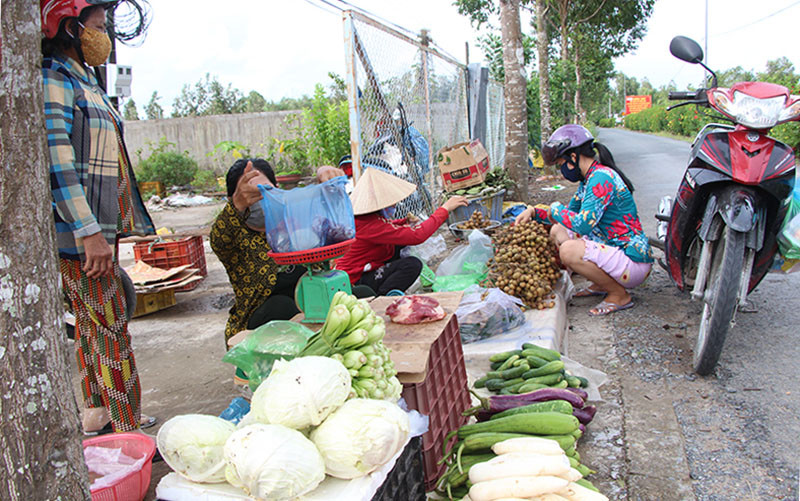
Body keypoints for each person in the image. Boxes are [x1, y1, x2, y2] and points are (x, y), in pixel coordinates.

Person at [41, 0, 157, 434]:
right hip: (81, 235)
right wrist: (87, 232)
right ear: (71, 29)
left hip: (100, 229)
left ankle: (97, 411)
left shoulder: (84, 78)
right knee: (111, 329)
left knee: (93, 326)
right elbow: (59, 163)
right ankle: (129, 429)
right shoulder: (53, 77)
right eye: (98, 25)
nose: (103, 35)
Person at [210, 159, 368, 366]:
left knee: (362, 294)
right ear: (233, 199)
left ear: (276, 192)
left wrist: (324, 177)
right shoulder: (234, 236)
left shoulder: (295, 223)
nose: (258, 199)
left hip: (310, 307)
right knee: (281, 306)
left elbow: (326, 216)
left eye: (264, 191)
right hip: (262, 320)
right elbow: (218, 239)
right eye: (250, 195)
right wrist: (238, 206)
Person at [515, 124, 653, 316]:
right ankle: (601, 283)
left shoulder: (601, 179)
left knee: (568, 251)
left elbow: (582, 223)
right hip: (613, 251)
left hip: (631, 261)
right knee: (557, 231)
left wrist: (555, 208)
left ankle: (619, 294)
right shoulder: (588, 180)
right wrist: (533, 212)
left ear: (573, 157)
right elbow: (567, 215)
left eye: (562, 163)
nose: (562, 169)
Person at [336, 167, 469, 295]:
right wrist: (445, 209)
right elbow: (417, 236)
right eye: (391, 203)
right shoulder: (368, 224)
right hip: (356, 280)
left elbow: (384, 228)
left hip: (365, 267)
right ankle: (382, 297)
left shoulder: (366, 218)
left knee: (398, 245)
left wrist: (402, 222)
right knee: (412, 265)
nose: (394, 206)